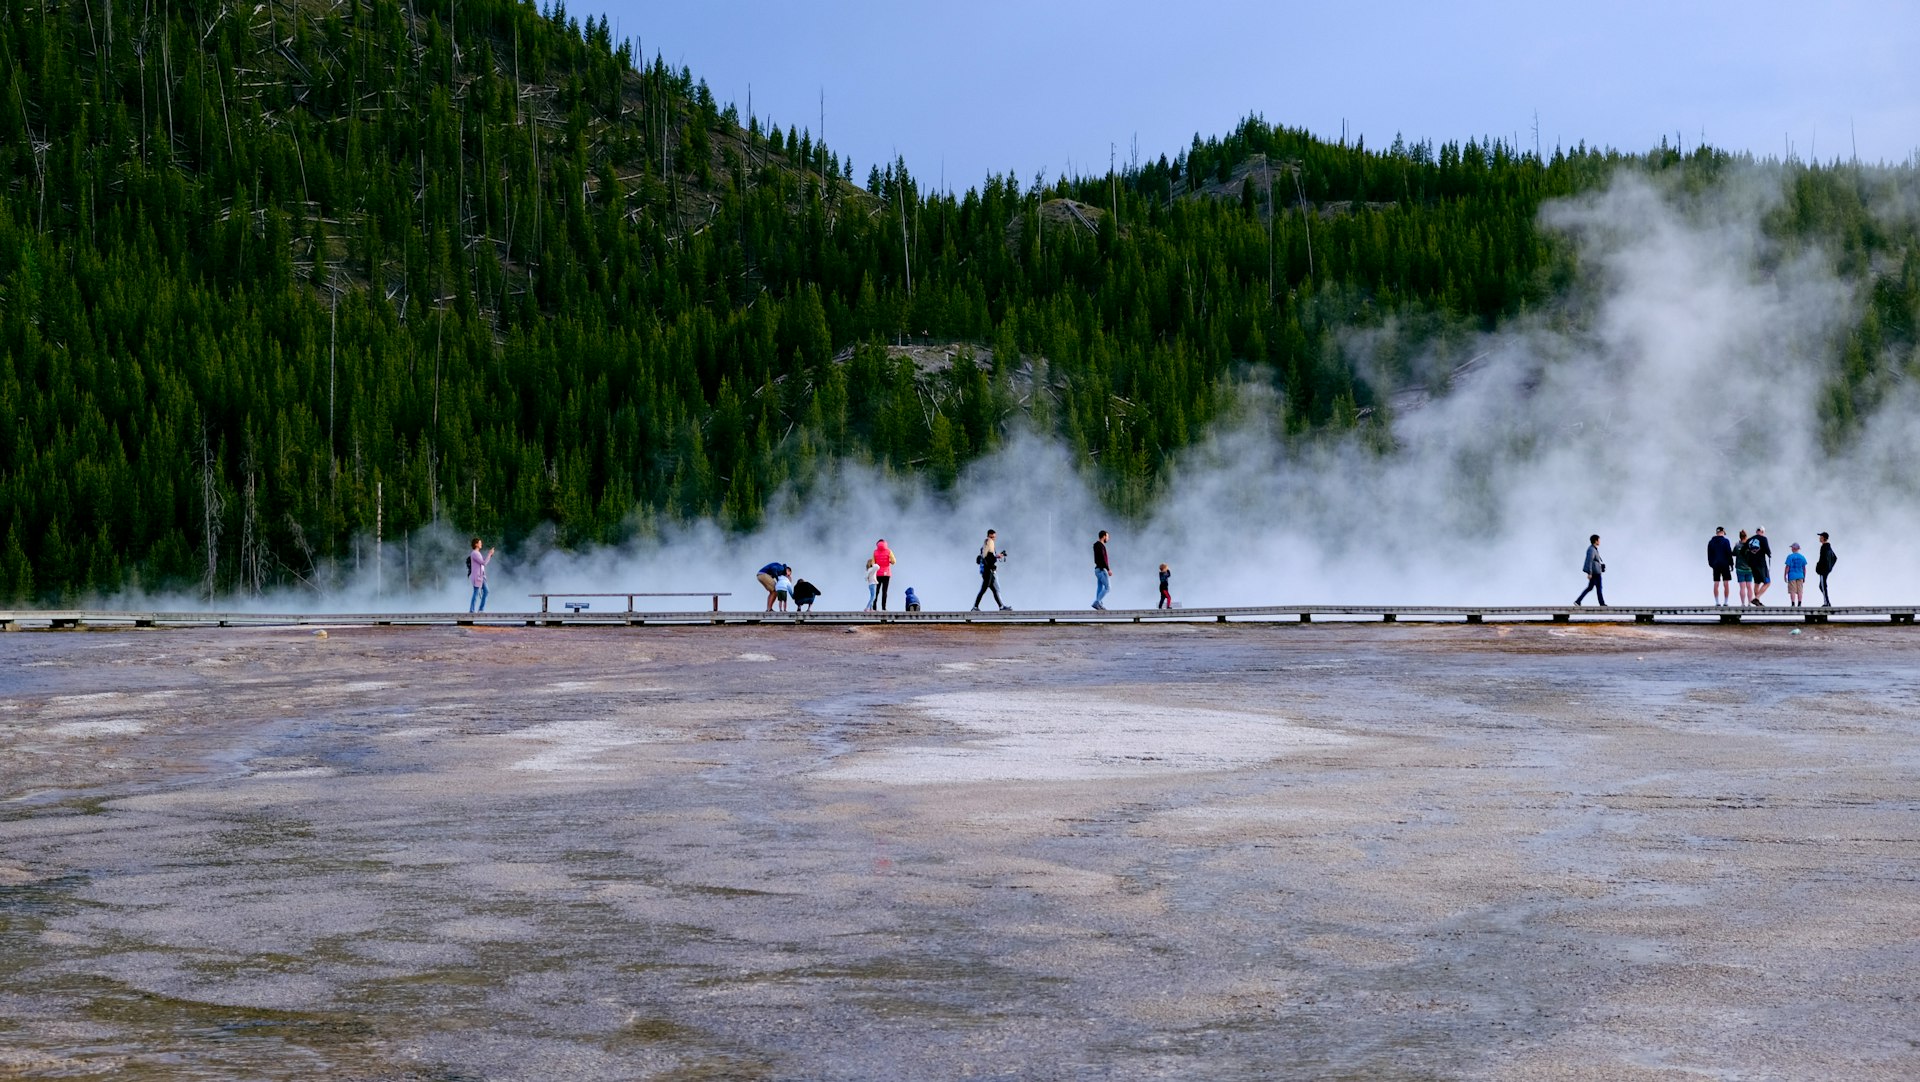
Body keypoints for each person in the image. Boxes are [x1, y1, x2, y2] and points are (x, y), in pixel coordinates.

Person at [972, 529, 1012, 611]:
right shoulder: (989, 546)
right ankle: (975, 607)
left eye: (994, 537)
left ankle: (1001, 606)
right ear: (988, 536)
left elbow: (987, 558)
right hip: (988, 572)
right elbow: (991, 560)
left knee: (994, 590)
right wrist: (998, 557)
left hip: (988, 572)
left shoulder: (985, 547)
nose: (993, 539)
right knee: (984, 590)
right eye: (991, 537)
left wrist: (997, 556)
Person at [466, 538, 496, 613]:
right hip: (477, 576)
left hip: (482, 576)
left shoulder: (477, 553)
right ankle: (472, 610)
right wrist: (489, 554)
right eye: (480, 543)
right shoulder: (475, 553)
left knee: (486, 591)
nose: (481, 544)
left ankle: (481, 609)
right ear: (476, 544)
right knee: (476, 593)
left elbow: (483, 563)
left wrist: (490, 555)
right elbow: (484, 563)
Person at [1575, 534, 1606, 606]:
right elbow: (1589, 561)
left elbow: (1594, 561)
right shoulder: (1591, 549)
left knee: (1591, 588)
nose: (1600, 541)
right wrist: (1590, 573)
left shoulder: (1593, 549)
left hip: (1596, 572)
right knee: (1598, 588)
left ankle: (1578, 601)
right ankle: (1602, 604)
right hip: (1595, 573)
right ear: (1595, 541)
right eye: (1599, 540)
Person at [1707, 527, 1734, 606]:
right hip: (1725, 564)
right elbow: (1729, 553)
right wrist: (1731, 564)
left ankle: (1717, 602)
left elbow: (1709, 555)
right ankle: (1726, 602)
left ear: (1716, 533)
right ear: (1723, 532)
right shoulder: (1726, 541)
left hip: (1715, 565)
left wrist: (1712, 564)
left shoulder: (1711, 542)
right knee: (1726, 583)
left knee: (1716, 583)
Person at [1747, 527, 1773, 606]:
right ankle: (1757, 598)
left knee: (1757, 582)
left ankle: (1757, 601)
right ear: (1762, 531)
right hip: (1761, 564)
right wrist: (1769, 554)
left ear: (1756, 531)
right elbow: (1767, 550)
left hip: (1752, 564)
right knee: (1767, 583)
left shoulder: (1749, 540)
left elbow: (1742, 551)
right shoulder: (1763, 539)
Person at [872, 539, 896, 611]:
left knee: (876, 591)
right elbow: (894, 561)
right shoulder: (889, 551)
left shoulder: (875, 552)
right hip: (887, 574)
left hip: (878, 574)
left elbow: (873, 563)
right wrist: (889, 561)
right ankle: (883, 608)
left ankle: (874, 606)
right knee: (884, 591)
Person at [1815, 532, 1838, 607]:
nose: (1819, 538)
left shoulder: (1824, 547)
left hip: (1823, 570)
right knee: (1822, 586)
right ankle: (1827, 602)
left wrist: (1820, 567)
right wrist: (1829, 568)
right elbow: (1834, 558)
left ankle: (1826, 603)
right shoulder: (1827, 546)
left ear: (1824, 538)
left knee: (1823, 586)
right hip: (1825, 570)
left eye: (1820, 537)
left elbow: (1825, 559)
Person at [1092, 530, 1112, 610]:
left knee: (1100, 587)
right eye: (1107, 536)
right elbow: (1103, 559)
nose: (1108, 538)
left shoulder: (1096, 545)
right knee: (1108, 587)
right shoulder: (1100, 546)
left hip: (1097, 570)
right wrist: (1108, 569)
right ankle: (1097, 602)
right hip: (1101, 569)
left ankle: (1099, 603)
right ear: (1104, 536)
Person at [1734, 529, 1754, 605]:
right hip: (1749, 569)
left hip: (1740, 569)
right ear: (1746, 536)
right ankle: (1749, 603)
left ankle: (1743, 603)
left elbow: (1733, 554)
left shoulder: (1737, 546)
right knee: (1749, 586)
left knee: (1742, 587)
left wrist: (1736, 545)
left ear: (1740, 537)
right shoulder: (1750, 546)